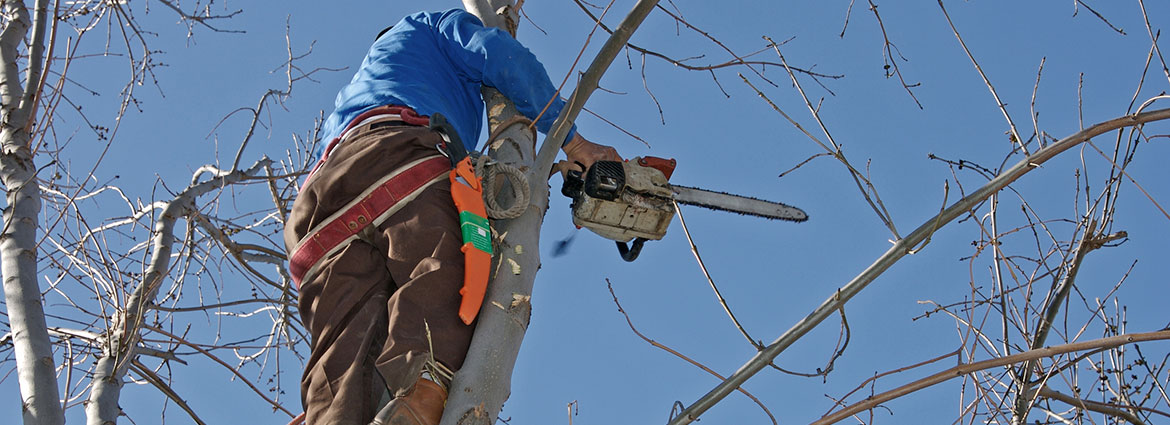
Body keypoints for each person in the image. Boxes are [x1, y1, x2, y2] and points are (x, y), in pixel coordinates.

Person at [284, 8, 621, 425]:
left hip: (315, 216)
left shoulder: (355, 95)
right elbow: (498, 54)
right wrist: (573, 141)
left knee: (341, 360)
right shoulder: (425, 27)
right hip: (394, 156)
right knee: (450, 272)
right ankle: (420, 394)